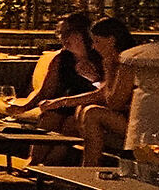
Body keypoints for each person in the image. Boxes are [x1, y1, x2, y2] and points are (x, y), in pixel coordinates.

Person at [37, 16, 141, 166]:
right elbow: (104, 93)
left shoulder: (126, 62)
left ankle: (89, 167)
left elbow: (113, 102)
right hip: (123, 113)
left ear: (111, 40)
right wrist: (61, 102)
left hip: (134, 118)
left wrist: (107, 70)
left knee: (92, 112)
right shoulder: (110, 61)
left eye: (97, 41)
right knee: (80, 110)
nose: (93, 46)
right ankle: (49, 164)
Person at [11, 13, 100, 133]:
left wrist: (94, 78)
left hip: (87, 103)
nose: (63, 38)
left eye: (67, 33)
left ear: (81, 33)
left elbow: (106, 90)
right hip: (64, 104)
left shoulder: (99, 57)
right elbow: (46, 91)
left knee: (70, 124)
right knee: (49, 119)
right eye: (60, 33)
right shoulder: (61, 59)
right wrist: (24, 108)